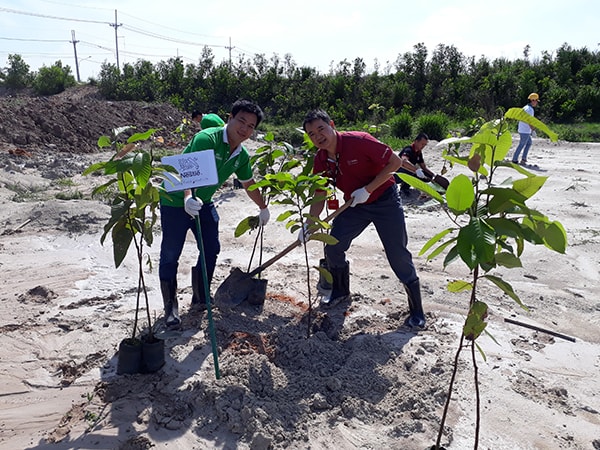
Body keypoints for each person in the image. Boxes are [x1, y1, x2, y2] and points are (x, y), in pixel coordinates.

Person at [299, 109, 426, 328]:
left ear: (332, 124)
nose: (318, 136)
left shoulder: (358, 141)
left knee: (397, 253)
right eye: (311, 134)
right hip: (356, 205)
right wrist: (310, 223)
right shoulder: (320, 160)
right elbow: (319, 193)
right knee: (333, 245)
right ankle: (340, 291)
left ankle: (417, 310)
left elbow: (395, 163)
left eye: (321, 129)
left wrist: (368, 189)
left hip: (384, 200)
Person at [158, 99, 270, 327]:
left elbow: (249, 183)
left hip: (204, 201)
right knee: (171, 253)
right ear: (230, 118)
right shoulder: (206, 139)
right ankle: (170, 308)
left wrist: (263, 207)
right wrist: (188, 197)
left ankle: (200, 298)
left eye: (251, 126)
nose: (245, 129)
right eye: (241, 121)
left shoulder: (241, 155)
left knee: (211, 248)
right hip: (174, 199)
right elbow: (189, 171)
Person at [512, 93, 539, 165]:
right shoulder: (530, 109)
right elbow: (529, 121)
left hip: (522, 129)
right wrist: (533, 130)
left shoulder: (525, 107)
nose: (536, 103)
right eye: (536, 101)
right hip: (525, 130)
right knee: (522, 144)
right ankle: (515, 159)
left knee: (529, 143)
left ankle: (523, 158)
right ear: (533, 100)